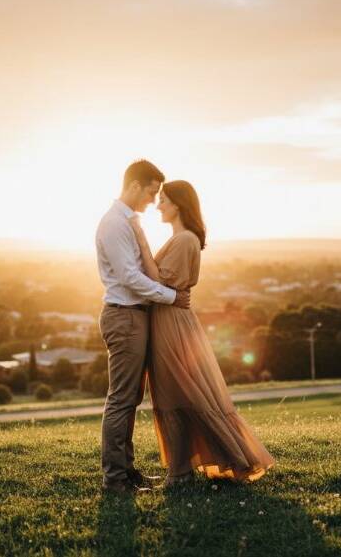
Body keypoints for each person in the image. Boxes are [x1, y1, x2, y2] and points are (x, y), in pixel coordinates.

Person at [129, 180, 274, 487]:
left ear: (179, 205)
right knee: (172, 393)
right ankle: (179, 470)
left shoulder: (184, 240)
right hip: (168, 317)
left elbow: (163, 284)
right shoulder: (181, 238)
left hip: (172, 321)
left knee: (182, 392)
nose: (158, 205)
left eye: (164, 200)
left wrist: (141, 246)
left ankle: (191, 469)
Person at [95, 159, 191, 494]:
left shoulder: (128, 221)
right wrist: (171, 296)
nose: (152, 201)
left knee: (130, 398)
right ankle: (114, 479)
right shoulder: (114, 224)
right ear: (135, 185)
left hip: (136, 315)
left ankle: (126, 471)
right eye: (151, 193)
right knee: (122, 399)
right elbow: (130, 277)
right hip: (124, 315)